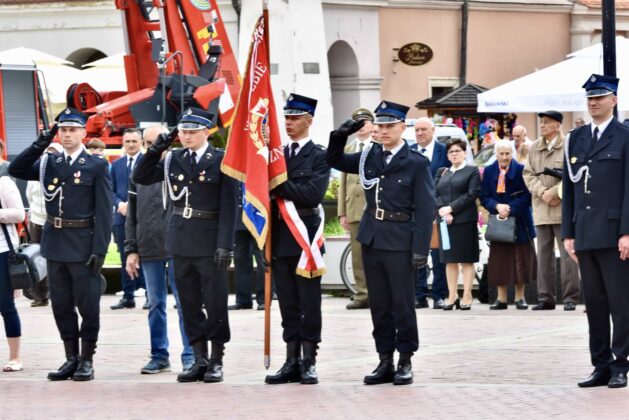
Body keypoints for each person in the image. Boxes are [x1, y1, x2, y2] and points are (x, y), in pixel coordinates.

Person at [327, 100, 435, 386]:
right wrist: (342, 134)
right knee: (379, 304)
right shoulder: (368, 157)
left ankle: (405, 360)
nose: (384, 131)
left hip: (400, 240)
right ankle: (384, 359)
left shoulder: (416, 163)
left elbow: (425, 210)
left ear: (403, 127)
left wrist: (420, 250)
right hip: (372, 236)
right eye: (381, 126)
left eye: (390, 126)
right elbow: (334, 160)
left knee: (402, 304)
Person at [9, 107, 113, 381]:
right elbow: (17, 168)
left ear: (82, 132)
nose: (66, 135)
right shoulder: (49, 163)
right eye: (63, 130)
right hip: (55, 244)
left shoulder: (96, 165)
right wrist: (42, 141)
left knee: (88, 306)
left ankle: (87, 359)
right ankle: (71, 358)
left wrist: (100, 249)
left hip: (83, 244)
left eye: (72, 130)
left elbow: (104, 211)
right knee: (61, 305)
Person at [134, 108, 236, 383]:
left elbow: (229, 206)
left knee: (215, 303)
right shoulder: (173, 159)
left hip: (210, 239)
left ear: (206, 132)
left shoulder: (221, 159)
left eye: (192, 131)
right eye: (183, 131)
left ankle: (216, 359)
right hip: (180, 239)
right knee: (188, 304)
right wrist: (158, 148)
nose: (187, 136)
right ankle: (198, 358)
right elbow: (141, 177)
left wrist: (225, 245)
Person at [563, 74, 629, 389]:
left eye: (600, 97)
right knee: (595, 304)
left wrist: (627, 232)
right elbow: (570, 188)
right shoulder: (575, 139)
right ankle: (600, 365)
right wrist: (568, 233)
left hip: (615, 233)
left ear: (613, 100)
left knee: (620, 303)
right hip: (585, 233)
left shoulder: (624, 136)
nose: (594, 102)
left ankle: (620, 365)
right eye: (590, 98)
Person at [264, 94, 329, 385]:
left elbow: (312, 194)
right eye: (286, 118)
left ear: (309, 121)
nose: (288, 123)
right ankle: (290, 359)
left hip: (305, 237)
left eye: (294, 118)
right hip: (278, 236)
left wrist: (279, 185)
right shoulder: (275, 154)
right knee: (287, 302)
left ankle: (309, 359)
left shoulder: (319, 155)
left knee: (309, 303)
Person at [125, 125, 194, 374]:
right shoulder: (140, 172)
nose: (153, 147)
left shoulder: (178, 167)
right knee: (155, 304)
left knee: (185, 302)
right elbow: (131, 215)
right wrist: (131, 249)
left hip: (178, 247)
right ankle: (159, 354)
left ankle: (190, 353)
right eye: (148, 143)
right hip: (149, 246)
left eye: (159, 142)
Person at [523, 111, 580, 311]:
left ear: (558, 125)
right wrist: (543, 192)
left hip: (563, 208)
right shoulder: (534, 148)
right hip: (541, 208)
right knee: (543, 255)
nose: (542, 126)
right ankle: (545, 298)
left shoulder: (568, 145)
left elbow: (573, 175)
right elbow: (528, 174)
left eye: (547, 122)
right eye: (541, 122)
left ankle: (570, 297)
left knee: (568, 254)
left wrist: (555, 193)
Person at [480, 139, 536, 310]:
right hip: (499, 221)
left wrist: (511, 208)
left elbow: (528, 196)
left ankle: (520, 298)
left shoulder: (520, 169)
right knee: (499, 261)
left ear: (513, 153)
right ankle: (501, 299)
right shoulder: (489, 171)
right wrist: (496, 206)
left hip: (520, 220)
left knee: (521, 261)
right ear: (495, 154)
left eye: (507, 153)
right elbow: (484, 196)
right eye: (501, 153)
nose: (504, 157)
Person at [434, 138, 481, 310]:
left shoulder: (472, 171)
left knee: (466, 259)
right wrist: (441, 209)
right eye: (451, 152)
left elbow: (471, 194)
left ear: (464, 153)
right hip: (444, 222)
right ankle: (452, 295)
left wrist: (450, 208)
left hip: (464, 220)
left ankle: (467, 295)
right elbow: (434, 192)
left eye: (457, 151)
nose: (454, 154)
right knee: (449, 260)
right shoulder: (442, 171)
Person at [410, 117, 449, 309]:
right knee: (418, 254)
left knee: (438, 254)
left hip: (438, 210)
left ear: (433, 130)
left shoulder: (444, 151)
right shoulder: (410, 152)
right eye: (417, 130)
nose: (419, 133)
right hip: (415, 212)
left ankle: (439, 295)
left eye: (423, 129)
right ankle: (419, 295)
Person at [338, 107, 374, 310]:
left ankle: (377, 293)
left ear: (371, 125)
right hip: (353, 208)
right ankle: (362, 294)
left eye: (364, 123)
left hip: (373, 207)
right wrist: (342, 211)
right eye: (357, 124)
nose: (361, 128)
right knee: (358, 254)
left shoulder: (377, 146)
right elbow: (343, 181)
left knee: (376, 252)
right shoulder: (349, 148)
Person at [110, 128, 147, 310]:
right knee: (124, 257)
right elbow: (110, 189)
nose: (131, 145)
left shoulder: (148, 162)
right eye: (127, 142)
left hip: (144, 218)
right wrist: (119, 204)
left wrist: (133, 206)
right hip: (121, 218)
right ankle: (128, 296)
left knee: (147, 255)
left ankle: (149, 295)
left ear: (141, 142)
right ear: (123, 143)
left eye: (134, 141)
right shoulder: (116, 165)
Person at [25, 143, 64, 307]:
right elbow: (29, 197)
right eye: (48, 154)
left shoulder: (62, 174)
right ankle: (39, 296)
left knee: (57, 259)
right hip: (36, 221)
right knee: (35, 260)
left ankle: (59, 294)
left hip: (54, 221)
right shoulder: (35, 176)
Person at [0, 176, 25, 372]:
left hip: (2, 251)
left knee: (6, 305)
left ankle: (15, 357)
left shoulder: (3, 183)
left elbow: (19, 214)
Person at [229, 182, 266, 311]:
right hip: (238, 218)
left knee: (262, 260)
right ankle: (243, 300)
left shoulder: (258, 162)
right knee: (241, 261)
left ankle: (264, 299)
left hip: (258, 218)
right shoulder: (234, 165)